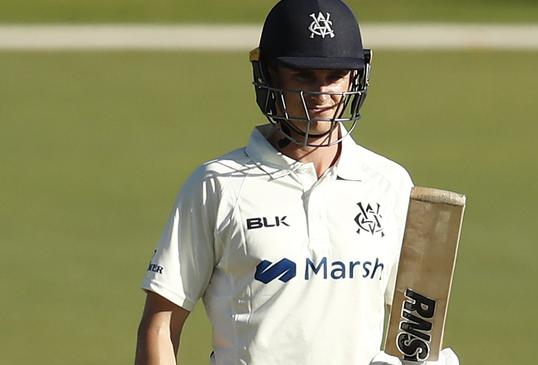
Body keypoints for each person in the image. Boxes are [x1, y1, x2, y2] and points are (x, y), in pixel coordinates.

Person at [135, 0, 459, 364]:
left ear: (356, 76)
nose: (321, 95)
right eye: (304, 76)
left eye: (334, 76)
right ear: (271, 75)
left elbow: (414, 323)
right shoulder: (219, 184)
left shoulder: (389, 183)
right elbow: (161, 323)